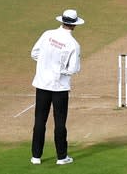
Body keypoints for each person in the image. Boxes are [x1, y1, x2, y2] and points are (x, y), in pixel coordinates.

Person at [30, 9, 84, 165]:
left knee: (40, 120)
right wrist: (60, 70)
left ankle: (36, 156)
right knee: (60, 122)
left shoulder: (47, 34)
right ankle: (61, 157)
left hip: (42, 83)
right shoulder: (73, 44)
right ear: (74, 25)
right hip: (60, 87)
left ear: (62, 21)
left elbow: (34, 53)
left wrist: (45, 64)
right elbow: (74, 69)